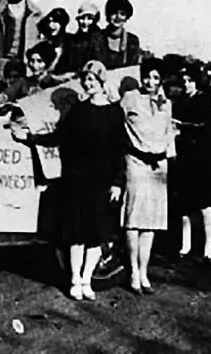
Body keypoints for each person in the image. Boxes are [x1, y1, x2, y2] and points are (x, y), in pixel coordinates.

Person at [14, 60, 126, 301]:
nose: (88, 84)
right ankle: (75, 279)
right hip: (77, 179)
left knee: (96, 233)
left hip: (102, 181)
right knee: (76, 232)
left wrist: (117, 182)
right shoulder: (78, 111)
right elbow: (59, 137)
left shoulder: (115, 112)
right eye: (86, 80)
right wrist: (29, 138)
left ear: (102, 82)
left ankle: (87, 280)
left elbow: (119, 150)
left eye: (93, 80)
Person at [121, 57, 176, 295]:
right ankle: (132, 270)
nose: (150, 81)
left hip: (158, 166)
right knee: (133, 218)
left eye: (155, 77)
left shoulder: (166, 103)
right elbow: (117, 124)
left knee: (152, 221)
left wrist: (169, 161)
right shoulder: (130, 98)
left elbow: (169, 134)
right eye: (147, 76)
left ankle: (144, 272)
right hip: (135, 163)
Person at [172, 63, 211, 261]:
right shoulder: (179, 101)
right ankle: (186, 244)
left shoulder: (203, 100)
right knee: (184, 203)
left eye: (190, 81)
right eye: (184, 82)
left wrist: (180, 126)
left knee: (204, 203)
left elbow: (201, 125)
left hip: (203, 157)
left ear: (196, 82)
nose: (187, 85)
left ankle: (209, 244)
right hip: (186, 156)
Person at [0, 42, 64, 104]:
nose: (34, 65)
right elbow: (6, 95)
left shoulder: (56, 81)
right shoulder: (24, 82)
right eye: (32, 60)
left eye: (39, 61)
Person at [91, 0, 141, 70]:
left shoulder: (132, 41)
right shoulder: (97, 38)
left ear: (127, 17)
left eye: (122, 14)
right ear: (108, 15)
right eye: (114, 13)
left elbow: (133, 68)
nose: (118, 17)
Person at [68, 2, 102, 73]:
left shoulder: (99, 39)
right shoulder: (74, 40)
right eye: (82, 18)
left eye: (89, 18)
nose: (85, 22)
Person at [37, 8, 72, 75]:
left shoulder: (70, 41)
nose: (51, 25)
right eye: (49, 21)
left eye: (56, 21)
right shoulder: (45, 43)